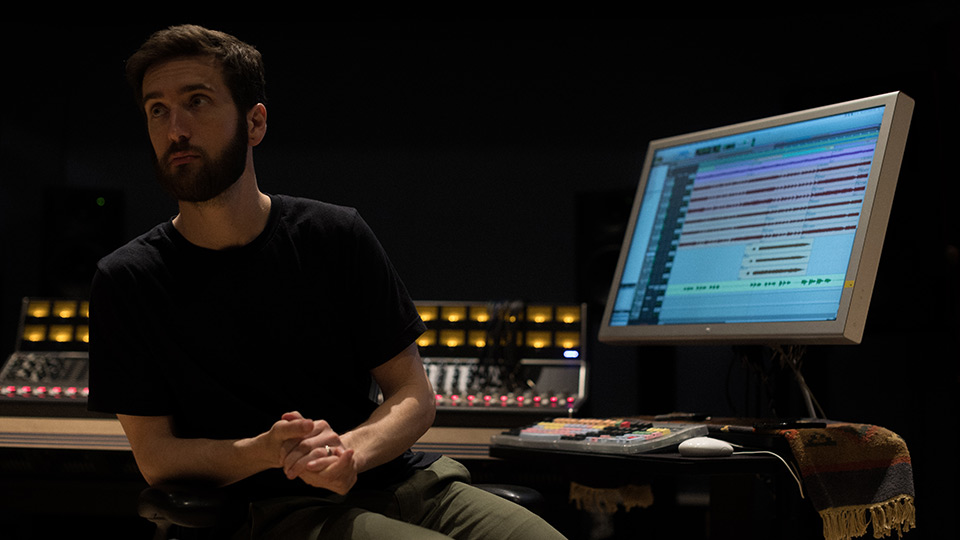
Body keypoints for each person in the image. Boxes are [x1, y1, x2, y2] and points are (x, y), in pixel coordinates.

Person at [87, 24, 566, 539]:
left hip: (406, 485)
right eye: (156, 109)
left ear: (255, 123)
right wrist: (267, 452)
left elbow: (413, 395)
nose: (175, 128)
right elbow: (156, 458)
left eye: (197, 101)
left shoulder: (334, 234)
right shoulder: (127, 279)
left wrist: (348, 453)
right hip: (279, 509)